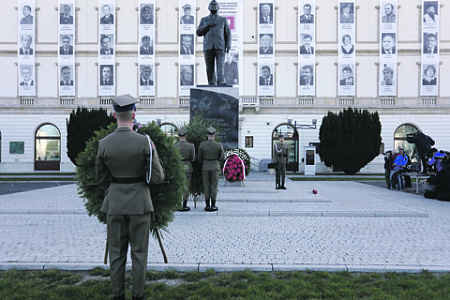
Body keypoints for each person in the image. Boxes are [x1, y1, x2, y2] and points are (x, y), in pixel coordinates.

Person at [96, 94, 164, 300]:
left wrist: (117, 189)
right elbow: (158, 177)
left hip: (115, 203)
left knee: (116, 254)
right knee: (139, 253)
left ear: (114, 114)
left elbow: (100, 179)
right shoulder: (144, 141)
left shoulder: (104, 143)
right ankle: (138, 295)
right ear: (134, 114)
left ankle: (118, 295)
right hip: (140, 204)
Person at [196, 0, 231, 85]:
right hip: (208, 46)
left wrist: (228, 44)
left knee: (220, 65)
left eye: (215, 4)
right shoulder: (204, 20)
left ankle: (220, 80)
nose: (213, 5)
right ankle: (211, 81)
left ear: (218, 7)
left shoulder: (223, 20)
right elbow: (198, 32)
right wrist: (207, 25)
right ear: (208, 7)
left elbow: (228, 33)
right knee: (209, 65)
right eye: (211, 4)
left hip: (220, 45)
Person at [198, 126, 224, 211]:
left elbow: (199, 158)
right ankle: (213, 205)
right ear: (214, 135)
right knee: (214, 186)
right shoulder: (219, 145)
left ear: (207, 135)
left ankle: (207, 205)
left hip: (205, 166)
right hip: (215, 166)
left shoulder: (202, 145)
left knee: (206, 185)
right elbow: (222, 157)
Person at [174, 127, 195, 211]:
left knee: (178, 186)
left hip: (178, 167)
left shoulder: (175, 146)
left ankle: (178, 204)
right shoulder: (191, 146)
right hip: (188, 166)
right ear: (186, 135)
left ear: (178, 136)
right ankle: (184, 204)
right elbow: (193, 158)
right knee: (186, 186)